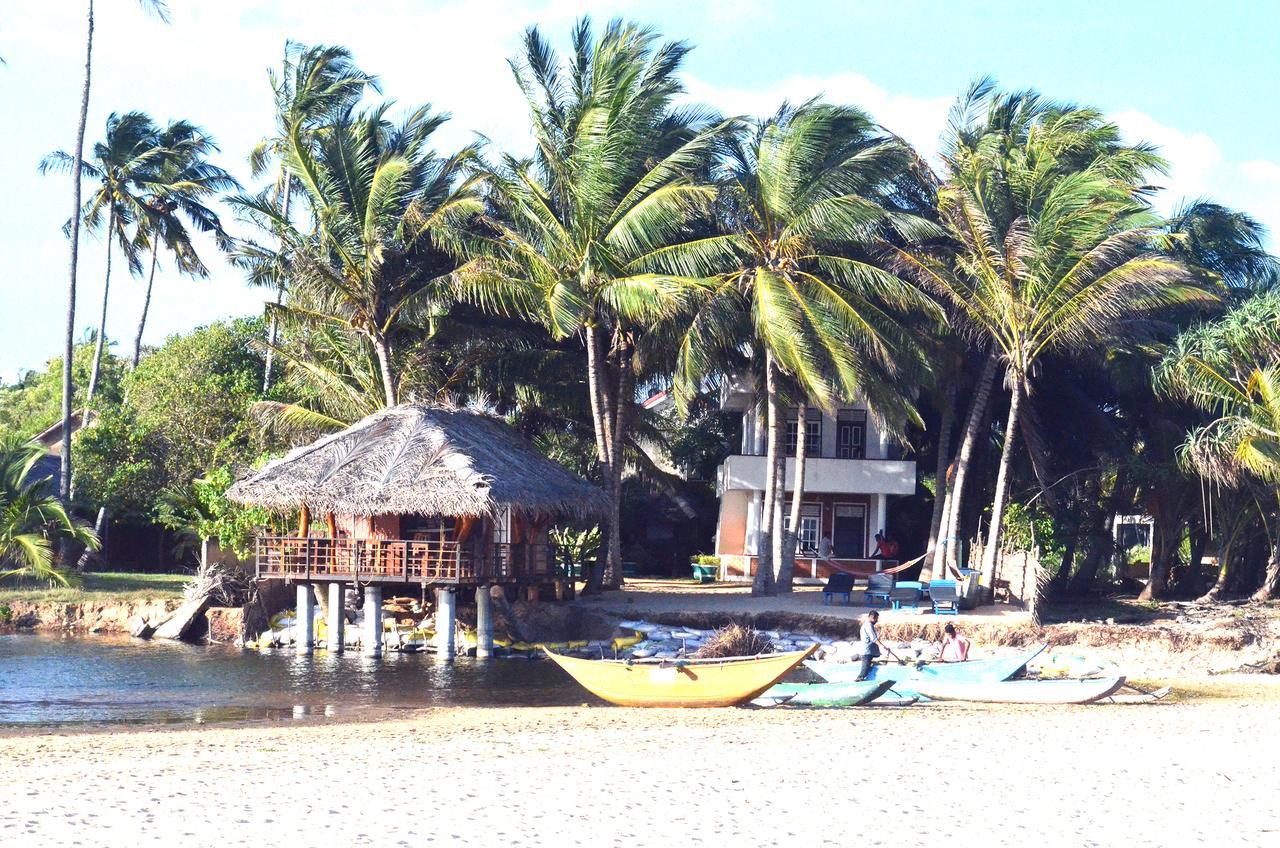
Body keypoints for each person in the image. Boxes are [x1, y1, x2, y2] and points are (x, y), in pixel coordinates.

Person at [855, 610, 881, 681]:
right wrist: (883, 647)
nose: (876, 621)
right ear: (872, 617)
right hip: (866, 651)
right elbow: (874, 639)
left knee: (868, 665)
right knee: (864, 670)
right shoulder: (868, 626)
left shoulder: (868, 625)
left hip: (869, 651)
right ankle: (859, 679)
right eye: (876, 619)